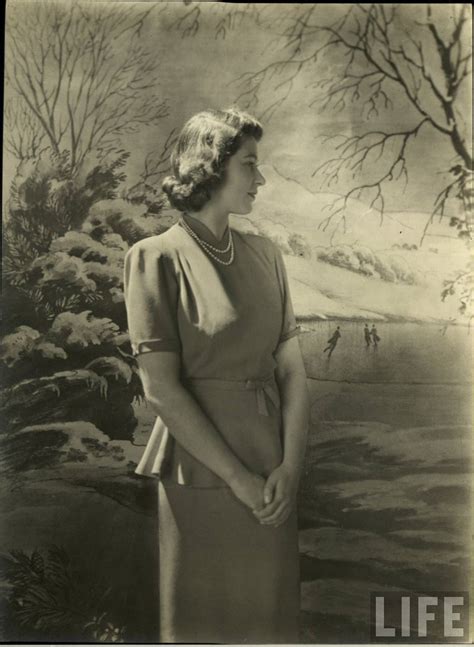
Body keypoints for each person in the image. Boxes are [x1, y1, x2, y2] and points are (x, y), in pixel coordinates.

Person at [123, 108, 310, 643]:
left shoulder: (267, 256)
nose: (261, 178)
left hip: (272, 471)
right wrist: (237, 479)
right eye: (250, 164)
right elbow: (160, 388)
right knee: (204, 624)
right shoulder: (154, 259)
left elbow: (294, 374)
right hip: (201, 473)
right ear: (211, 168)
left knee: (268, 624)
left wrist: (290, 470)